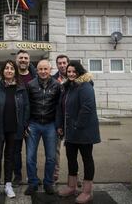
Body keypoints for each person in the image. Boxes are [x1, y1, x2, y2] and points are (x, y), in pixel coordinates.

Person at [0, 60, 30, 199]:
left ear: (15, 71)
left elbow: (26, 107)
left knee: (10, 157)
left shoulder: (21, 88)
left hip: (14, 129)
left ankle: (8, 184)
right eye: (6, 68)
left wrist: (23, 125)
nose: (9, 70)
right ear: (2, 71)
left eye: (11, 68)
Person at [57, 61, 101, 203]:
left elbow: (87, 108)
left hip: (83, 132)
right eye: (68, 71)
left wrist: (77, 125)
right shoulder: (68, 87)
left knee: (87, 159)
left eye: (73, 72)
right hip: (70, 133)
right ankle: (71, 186)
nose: (70, 74)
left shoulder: (85, 86)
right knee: (71, 159)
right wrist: (62, 126)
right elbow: (63, 108)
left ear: (79, 72)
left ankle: (87, 191)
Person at [24, 59, 62, 195]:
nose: (43, 71)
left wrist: (59, 125)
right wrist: (25, 124)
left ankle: (48, 183)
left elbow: (59, 107)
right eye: (40, 69)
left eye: (46, 69)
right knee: (30, 157)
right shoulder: (30, 85)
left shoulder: (57, 85)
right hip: (33, 124)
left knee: (51, 157)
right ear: (37, 70)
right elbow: (26, 105)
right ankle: (33, 183)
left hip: (50, 124)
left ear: (50, 70)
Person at [13, 49, 36, 187]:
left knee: (31, 151)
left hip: (31, 121)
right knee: (16, 151)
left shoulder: (35, 77)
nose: (23, 60)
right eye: (21, 58)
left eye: (25, 58)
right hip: (15, 120)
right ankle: (17, 176)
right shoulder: (12, 76)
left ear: (29, 60)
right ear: (17, 60)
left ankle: (32, 176)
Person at [52, 54, 69, 182]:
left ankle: (74, 176)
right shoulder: (53, 79)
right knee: (55, 149)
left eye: (64, 63)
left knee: (72, 150)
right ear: (57, 65)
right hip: (57, 119)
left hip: (71, 120)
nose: (62, 65)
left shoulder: (75, 77)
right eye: (60, 63)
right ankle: (55, 174)